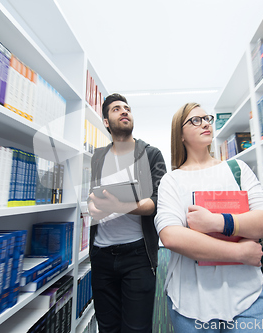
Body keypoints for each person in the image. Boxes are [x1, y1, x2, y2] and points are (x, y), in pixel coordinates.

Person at [154, 102, 263, 332]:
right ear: (179, 134)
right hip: (191, 302)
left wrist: (218, 221)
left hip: (247, 298)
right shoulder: (171, 181)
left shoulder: (237, 168)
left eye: (207, 119)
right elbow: (171, 236)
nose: (205, 124)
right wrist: (239, 252)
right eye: (195, 120)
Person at [88, 93, 167, 333]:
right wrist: (93, 207)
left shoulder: (151, 154)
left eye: (127, 108)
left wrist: (120, 207)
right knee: (108, 327)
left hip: (137, 256)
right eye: (116, 109)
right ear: (105, 121)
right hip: (101, 256)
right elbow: (94, 198)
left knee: (136, 329)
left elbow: (157, 202)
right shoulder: (98, 157)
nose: (124, 111)